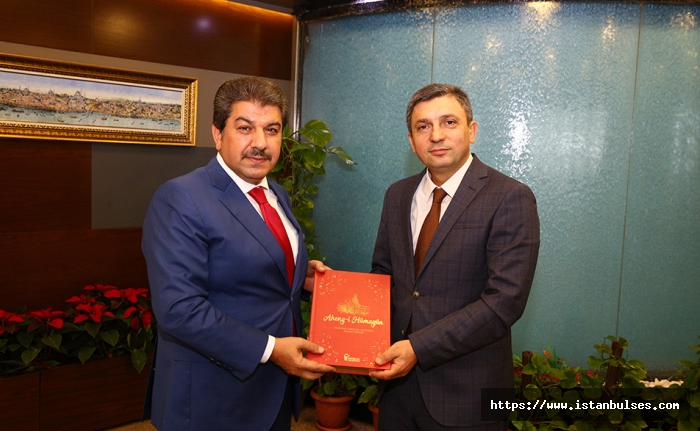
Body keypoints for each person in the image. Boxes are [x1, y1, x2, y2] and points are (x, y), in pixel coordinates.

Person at [141, 76, 335, 431]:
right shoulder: (181, 197)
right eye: (245, 128)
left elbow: (254, 264)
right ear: (218, 134)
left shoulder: (277, 193)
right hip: (212, 397)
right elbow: (178, 309)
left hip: (273, 391)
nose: (260, 143)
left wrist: (297, 272)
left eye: (272, 130)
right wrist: (271, 349)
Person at [369, 83, 540, 430]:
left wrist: (418, 348)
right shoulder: (397, 195)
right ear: (411, 141)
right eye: (423, 126)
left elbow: (503, 303)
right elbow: (383, 277)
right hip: (397, 393)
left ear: (471, 131)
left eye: (449, 122)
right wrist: (329, 290)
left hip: (469, 396)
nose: (436, 135)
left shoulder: (510, 197)